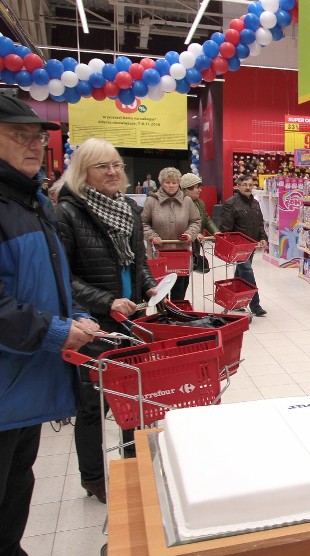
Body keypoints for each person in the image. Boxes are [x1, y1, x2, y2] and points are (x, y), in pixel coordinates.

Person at [0, 95, 97, 555]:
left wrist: (72, 314)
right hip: (7, 379)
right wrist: (55, 331)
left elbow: (47, 281)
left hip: (25, 383)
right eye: (19, 135)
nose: (34, 144)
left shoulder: (33, 202)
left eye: (37, 135)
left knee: (17, 487)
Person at [53, 138, 159, 504]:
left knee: (134, 400)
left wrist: (149, 288)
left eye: (117, 165)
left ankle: (134, 464)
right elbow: (62, 278)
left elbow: (138, 262)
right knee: (92, 407)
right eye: (103, 166)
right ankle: (94, 478)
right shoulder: (67, 213)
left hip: (131, 323)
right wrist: (107, 300)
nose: (114, 172)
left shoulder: (127, 207)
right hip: (92, 326)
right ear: (84, 173)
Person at [141, 166, 200, 301]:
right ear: (161, 183)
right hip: (158, 254)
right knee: (160, 293)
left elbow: (196, 221)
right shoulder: (152, 201)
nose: (171, 185)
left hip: (181, 255)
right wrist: (152, 236)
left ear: (179, 183)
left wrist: (190, 234)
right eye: (167, 182)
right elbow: (143, 222)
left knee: (179, 291)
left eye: (174, 182)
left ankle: (177, 317)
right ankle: (162, 319)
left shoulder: (187, 201)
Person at [220, 174, 268, 316]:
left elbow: (260, 223)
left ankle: (234, 302)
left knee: (240, 275)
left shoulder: (255, 203)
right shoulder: (231, 203)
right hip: (238, 247)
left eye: (250, 185)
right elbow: (225, 227)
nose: (248, 187)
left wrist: (263, 237)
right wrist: (228, 244)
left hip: (251, 245)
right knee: (247, 272)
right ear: (238, 186)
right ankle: (255, 305)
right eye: (245, 185)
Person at [180, 173, 218, 274]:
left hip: (195, 244)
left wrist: (216, 232)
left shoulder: (200, 203)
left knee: (189, 273)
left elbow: (206, 219)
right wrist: (194, 233)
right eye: (197, 187)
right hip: (182, 244)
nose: (200, 190)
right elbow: (179, 223)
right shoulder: (179, 203)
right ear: (187, 189)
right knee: (181, 274)